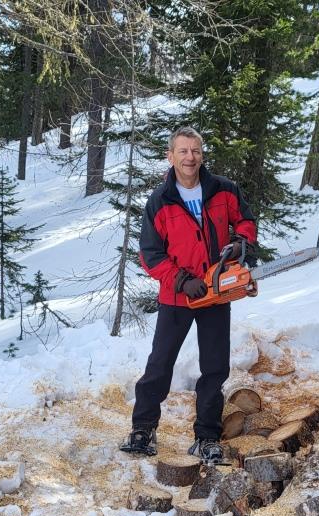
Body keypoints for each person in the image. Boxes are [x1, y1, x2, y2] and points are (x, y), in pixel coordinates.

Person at [119, 126, 257, 462]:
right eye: (183, 151)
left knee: (215, 367)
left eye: (195, 150)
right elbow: (150, 255)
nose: (190, 158)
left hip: (216, 291)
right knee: (160, 363)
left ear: (201, 154)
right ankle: (143, 429)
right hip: (177, 296)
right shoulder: (160, 201)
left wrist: (240, 243)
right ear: (171, 156)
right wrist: (181, 280)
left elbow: (246, 221)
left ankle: (207, 436)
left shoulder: (223, 189)